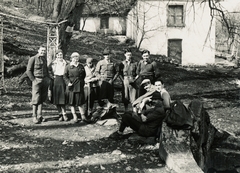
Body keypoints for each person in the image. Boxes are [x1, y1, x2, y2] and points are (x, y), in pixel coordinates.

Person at [26, 44, 50, 124]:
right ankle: (34, 116)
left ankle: (40, 115)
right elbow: (28, 71)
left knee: (42, 98)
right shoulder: (33, 59)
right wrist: (33, 80)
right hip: (37, 80)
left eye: (44, 51)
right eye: (42, 50)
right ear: (38, 50)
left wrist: (48, 78)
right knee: (36, 98)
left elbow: (46, 69)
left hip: (44, 80)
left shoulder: (44, 59)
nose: (43, 52)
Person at [64, 52, 87, 123]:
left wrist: (82, 83)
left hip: (79, 86)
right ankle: (75, 116)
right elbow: (65, 76)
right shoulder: (68, 66)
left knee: (80, 102)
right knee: (72, 102)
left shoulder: (81, 66)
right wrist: (68, 83)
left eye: (77, 57)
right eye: (74, 57)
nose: (75, 59)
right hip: (72, 86)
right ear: (71, 58)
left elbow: (83, 75)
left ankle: (83, 115)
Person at [49, 49, 68, 121]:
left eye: (61, 55)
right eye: (58, 55)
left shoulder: (66, 63)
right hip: (56, 80)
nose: (60, 56)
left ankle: (64, 114)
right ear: (56, 55)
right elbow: (48, 70)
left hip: (63, 80)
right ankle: (60, 114)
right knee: (57, 98)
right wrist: (52, 76)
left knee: (63, 97)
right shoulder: (53, 63)